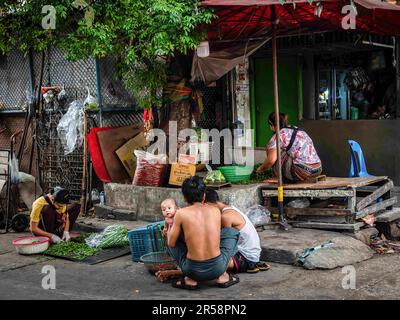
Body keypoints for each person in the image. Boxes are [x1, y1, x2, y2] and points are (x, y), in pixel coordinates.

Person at [166, 176, 240, 290]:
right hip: (218, 269)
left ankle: (190, 280)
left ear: (185, 198)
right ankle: (223, 276)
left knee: (169, 237)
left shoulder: (181, 213)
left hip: (192, 271)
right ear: (204, 195)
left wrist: (169, 226)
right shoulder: (215, 210)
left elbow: (171, 243)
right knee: (231, 232)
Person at [205, 189, 270, 274]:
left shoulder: (226, 216)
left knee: (210, 264)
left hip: (246, 258)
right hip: (249, 254)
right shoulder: (229, 208)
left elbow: (225, 245)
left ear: (207, 204)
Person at [256, 112, 322, 182]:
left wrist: (260, 169)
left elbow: (271, 160)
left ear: (271, 125)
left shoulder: (278, 136)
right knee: (284, 151)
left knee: (273, 150)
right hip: (317, 169)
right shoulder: (297, 129)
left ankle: (277, 178)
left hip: (303, 171)